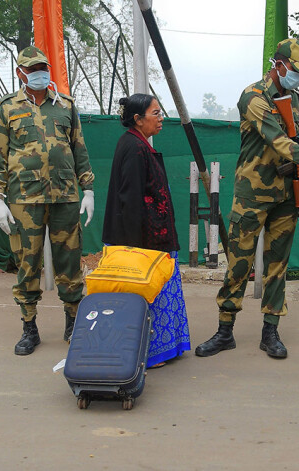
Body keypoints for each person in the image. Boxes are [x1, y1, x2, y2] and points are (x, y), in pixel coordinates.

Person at [194, 38, 299, 360]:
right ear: (278, 64)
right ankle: (225, 330)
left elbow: (292, 140)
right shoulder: (253, 97)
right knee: (238, 263)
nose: (298, 77)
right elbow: (279, 142)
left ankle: (271, 331)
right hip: (252, 193)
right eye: (295, 70)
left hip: (284, 192)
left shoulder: (292, 97)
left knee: (277, 265)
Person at [0, 46, 95, 356]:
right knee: (27, 262)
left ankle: (72, 323)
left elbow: (79, 150)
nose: (39, 73)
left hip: (65, 196)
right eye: (32, 69)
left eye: (42, 67)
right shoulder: (7, 108)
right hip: (24, 199)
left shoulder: (65, 106)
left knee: (70, 262)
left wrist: (88, 190)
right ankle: (29, 327)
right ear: (20, 73)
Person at [102, 93, 191, 367]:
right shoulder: (134, 147)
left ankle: (166, 348)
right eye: (155, 113)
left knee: (163, 291)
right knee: (148, 292)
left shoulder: (139, 144)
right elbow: (130, 199)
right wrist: (135, 248)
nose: (160, 117)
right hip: (145, 241)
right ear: (138, 120)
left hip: (156, 237)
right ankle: (150, 353)